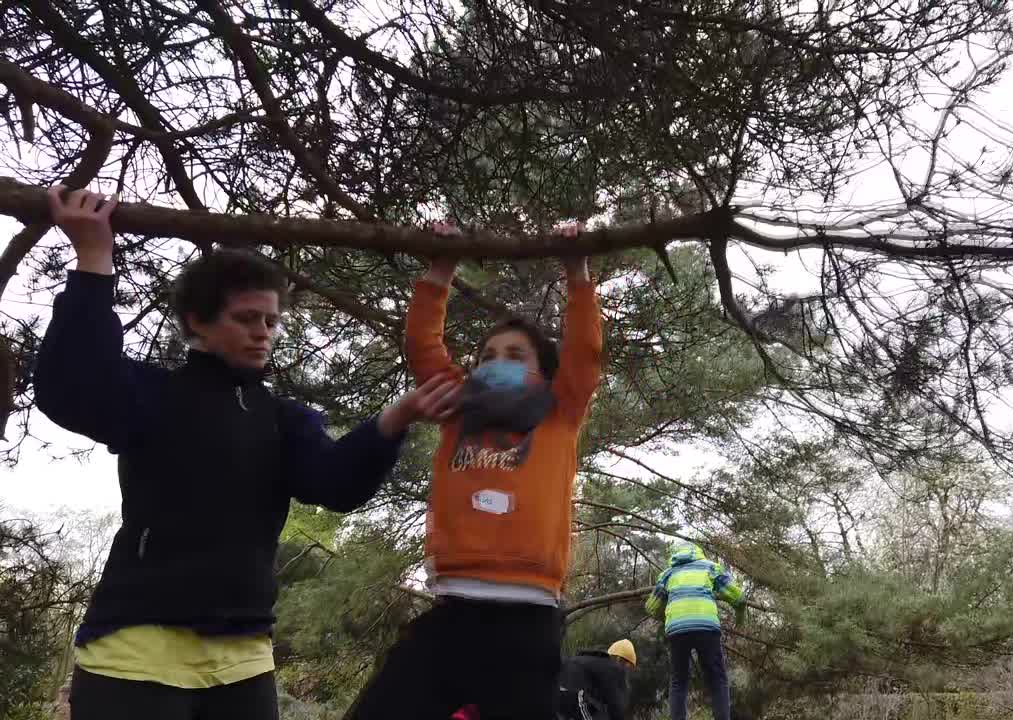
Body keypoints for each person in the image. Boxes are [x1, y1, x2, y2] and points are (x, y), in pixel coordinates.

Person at [34, 186, 459, 720]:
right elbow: (70, 387)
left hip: (243, 661)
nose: (263, 333)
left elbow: (336, 486)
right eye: (246, 319)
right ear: (198, 323)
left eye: (271, 321)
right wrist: (94, 260)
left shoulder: (285, 420)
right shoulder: (151, 396)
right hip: (133, 652)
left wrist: (395, 418)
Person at [346, 221, 603, 719]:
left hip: (528, 621)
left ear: (544, 372)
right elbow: (423, 346)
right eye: (488, 355)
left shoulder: (559, 413)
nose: (497, 361)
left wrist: (578, 272)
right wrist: (439, 268)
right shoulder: (457, 409)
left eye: (514, 355)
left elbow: (585, 351)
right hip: (454, 609)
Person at [646, 542, 746, 720]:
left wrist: (669, 616)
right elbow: (738, 598)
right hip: (706, 627)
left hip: (677, 631)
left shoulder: (668, 574)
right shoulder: (710, 567)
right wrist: (740, 618)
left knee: (679, 681)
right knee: (717, 679)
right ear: (698, 552)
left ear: (675, 555)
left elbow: (652, 608)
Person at [557, 639, 636, 720]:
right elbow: (615, 704)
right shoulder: (613, 669)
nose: (627, 671)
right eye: (628, 665)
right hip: (571, 693)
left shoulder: (592, 662)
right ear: (619, 659)